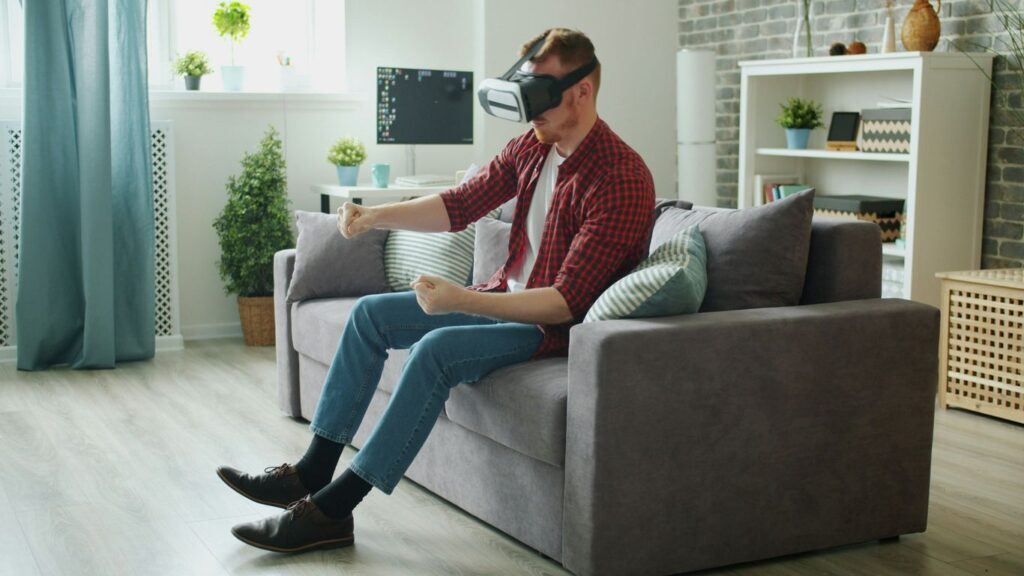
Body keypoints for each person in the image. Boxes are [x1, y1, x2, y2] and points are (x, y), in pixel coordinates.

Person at [218, 28, 656, 553]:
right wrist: (373, 215)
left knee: (434, 352)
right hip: (504, 297)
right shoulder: (533, 148)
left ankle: (332, 512)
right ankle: (312, 471)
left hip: (547, 328)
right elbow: (459, 204)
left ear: (583, 91)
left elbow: (565, 302)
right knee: (369, 317)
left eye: (540, 93)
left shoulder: (620, 175)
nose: (528, 109)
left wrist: (460, 299)